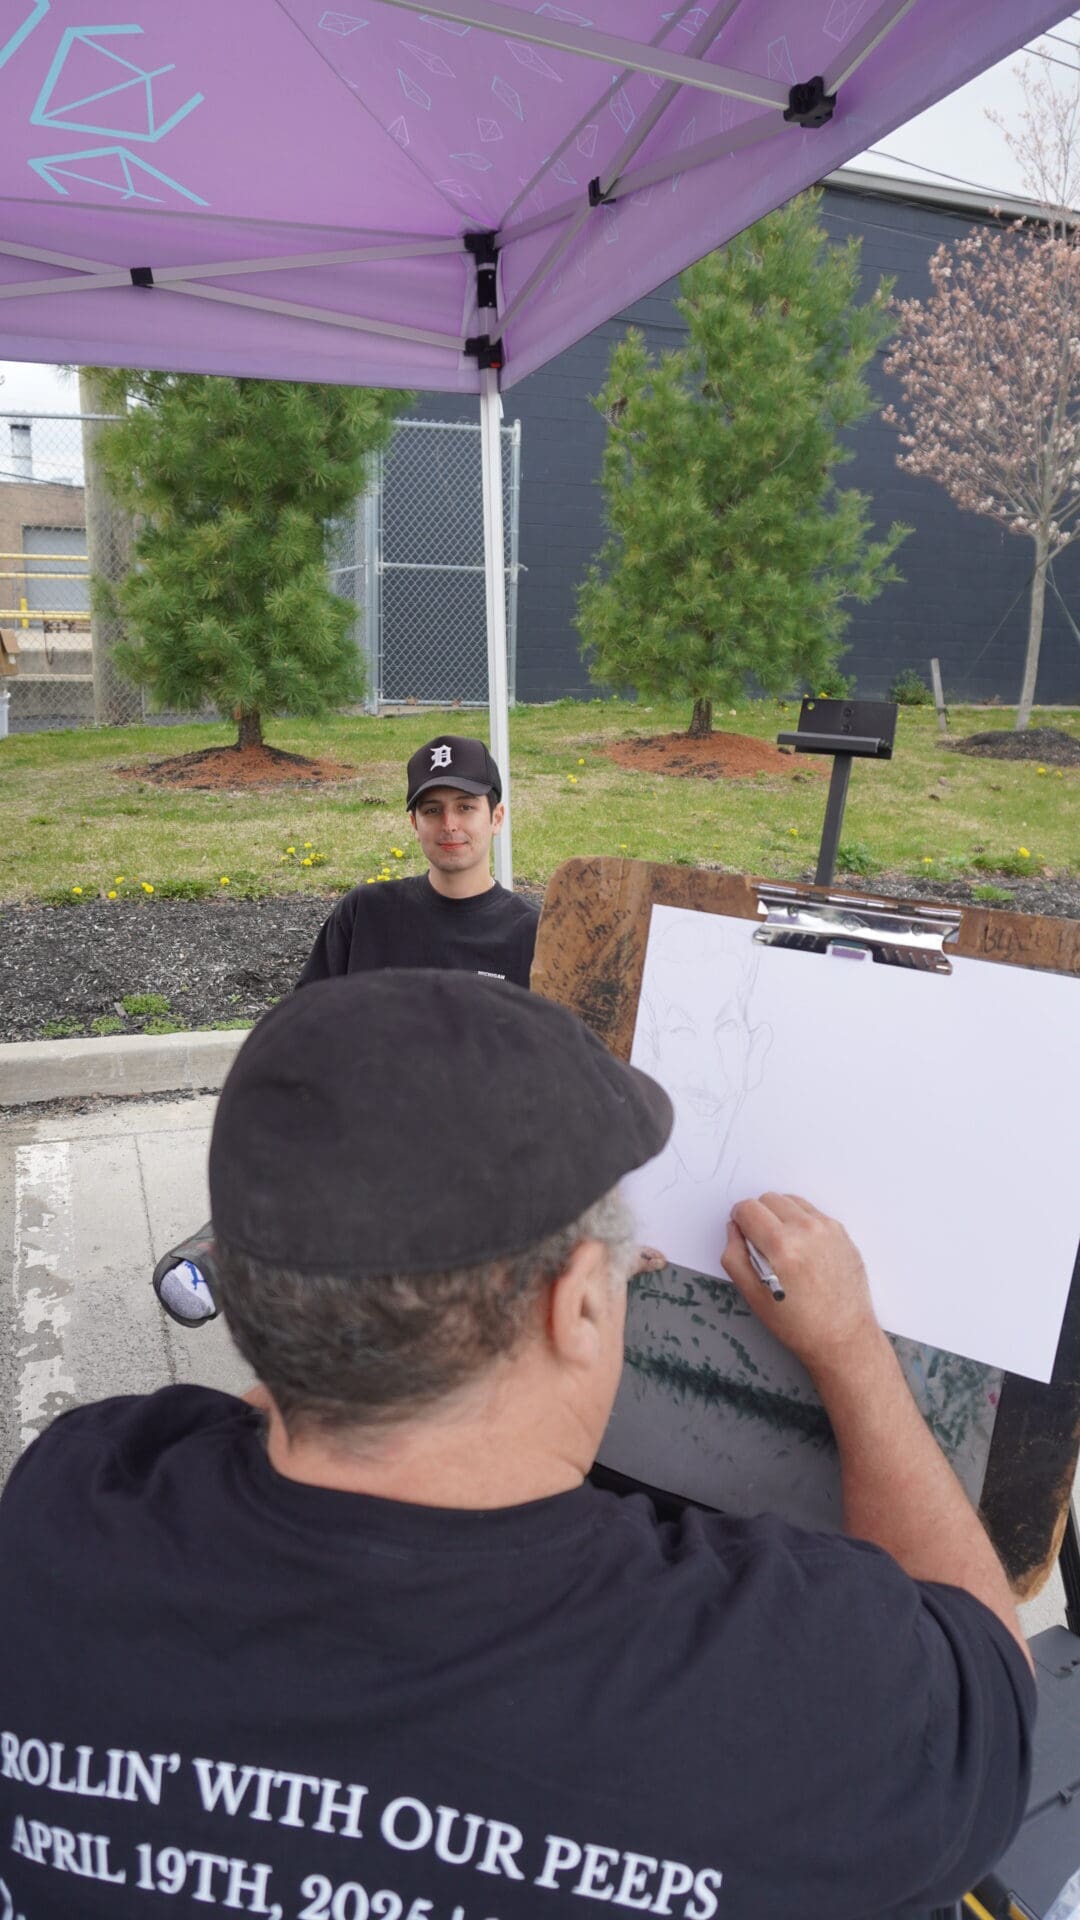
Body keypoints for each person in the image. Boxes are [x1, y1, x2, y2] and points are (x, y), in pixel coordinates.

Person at [0, 974, 1034, 1920]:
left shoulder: (72, 1506)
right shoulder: (799, 1680)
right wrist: (849, 1348)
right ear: (580, 1304)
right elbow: (992, 1675)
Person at [298, 733, 538, 989]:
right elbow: (307, 1009)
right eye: (432, 810)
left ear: (497, 818)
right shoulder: (364, 915)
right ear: (414, 823)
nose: (449, 825)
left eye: (465, 807)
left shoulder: (534, 934)